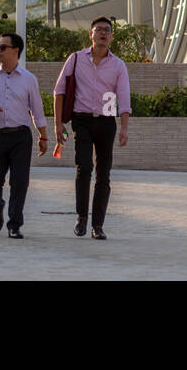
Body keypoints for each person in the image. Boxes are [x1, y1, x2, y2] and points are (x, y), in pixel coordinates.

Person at [54, 16, 131, 239]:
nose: (103, 34)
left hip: (106, 122)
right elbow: (59, 91)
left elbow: (124, 99)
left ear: (112, 37)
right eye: (99, 30)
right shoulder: (76, 59)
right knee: (84, 168)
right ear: (91, 34)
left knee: (103, 174)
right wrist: (58, 124)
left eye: (107, 30)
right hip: (82, 121)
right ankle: (82, 218)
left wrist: (124, 128)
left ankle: (98, 225)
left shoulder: (118, 65)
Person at [0, 33, 48, 239]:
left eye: (3, 47)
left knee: (19, 181)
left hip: (20, 136)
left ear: (16, 50)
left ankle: (14, 224)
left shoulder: (29, 80)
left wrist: (44, 136)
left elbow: (37, 110)